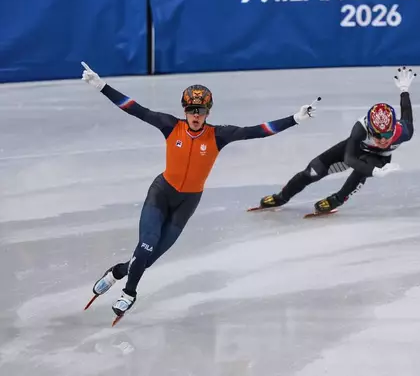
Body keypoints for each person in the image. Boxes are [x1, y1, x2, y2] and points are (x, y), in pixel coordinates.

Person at [79, 61, 317, 322]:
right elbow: (135, 109)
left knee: (146, 259)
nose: (195, 115)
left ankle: (116, 272)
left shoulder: (218, 135)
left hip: (187, 204)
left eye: (200, 110)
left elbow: (257, 131)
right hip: (161, 194)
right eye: (191, 110)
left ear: (208, 111)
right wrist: (101, 86)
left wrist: (295, 119)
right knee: (145, 247)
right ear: (184, 109)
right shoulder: (171, 126)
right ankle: (129, 292)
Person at [257, 67, 416, 214]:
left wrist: (404, 91)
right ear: (369, 129)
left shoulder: (404, 132)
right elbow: (349, 158)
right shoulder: (360, 128)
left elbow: (407, 113)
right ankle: (282, 197)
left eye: (387, 135)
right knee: (313, 170)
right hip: (355, 150)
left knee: (361, 170)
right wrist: (375, 173)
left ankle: (338, 198)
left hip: (379, 158)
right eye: (377, 135)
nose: (382, 141)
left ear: (393, 129)